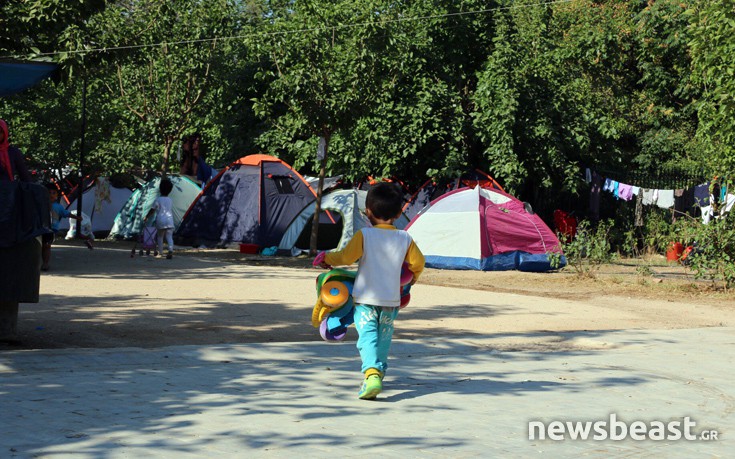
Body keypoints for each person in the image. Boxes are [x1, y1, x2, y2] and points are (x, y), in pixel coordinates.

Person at [315, 182, 425, 400]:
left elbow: (346, 257)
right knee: (384, 337)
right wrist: (411, 281)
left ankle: (371, 374)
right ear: (399, 212)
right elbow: (418, 263)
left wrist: (327, 258)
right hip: (391, 300)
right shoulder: (405, 238)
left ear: (368, 212)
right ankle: (379, 372)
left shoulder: (364, 235)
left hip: (365, 299)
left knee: (367, 337)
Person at [42, 183, 91, 271]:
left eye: (53, 193)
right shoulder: (41, 205)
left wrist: (76, 217)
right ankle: (40, 262)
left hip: (52, 229)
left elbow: (66, 214)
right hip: (42, 227)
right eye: (49, 193)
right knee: (41, 246)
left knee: (47, 245)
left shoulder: (58, 207)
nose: (51, 195)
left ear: (57, 195)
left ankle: (45, 263)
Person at [145, 178, 175, 259]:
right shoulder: (170, 200)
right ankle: (170, 250)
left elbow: (152, 210)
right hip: (169, 220)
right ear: (170, 190)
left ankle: (161, 252)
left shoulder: (158, 199)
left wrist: (146, 217)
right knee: (169, 236)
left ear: (160, 189)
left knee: (160, 236)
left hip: (161, 220)